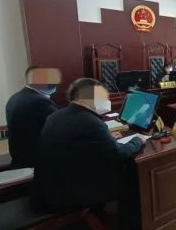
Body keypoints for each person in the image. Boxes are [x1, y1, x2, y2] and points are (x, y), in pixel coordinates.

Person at [33, 78, 146, 214]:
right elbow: (118, 153)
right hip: (68, 195)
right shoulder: (90, 122)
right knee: (130, 173)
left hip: (49, 186)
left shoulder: (56, 115)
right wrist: (137, 140)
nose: (106, 100)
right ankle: (126, 223)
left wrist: (106, 138)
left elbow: (80, 142)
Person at [5, 66, 60, 169]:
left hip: (20, 159)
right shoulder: (39, 102)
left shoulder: (15, 97)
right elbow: (60, 126)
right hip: (38, 163)